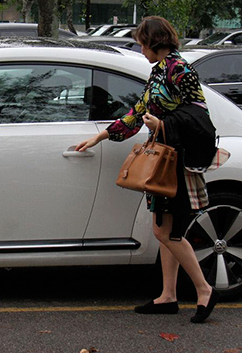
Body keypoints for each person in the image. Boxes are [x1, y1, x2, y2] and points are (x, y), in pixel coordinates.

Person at [75, 16, 220, 323]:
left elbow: (200, 117)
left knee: (166, 232)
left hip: (176, 161)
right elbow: (138, 112)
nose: (140, 50)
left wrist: (164, 125)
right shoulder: (159, 72)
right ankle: (168, 296)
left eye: (142, 44)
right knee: (166, 230)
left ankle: (204, 290)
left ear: (154, 42)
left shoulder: (179, 69)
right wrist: (101, 136)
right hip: (163, 160)